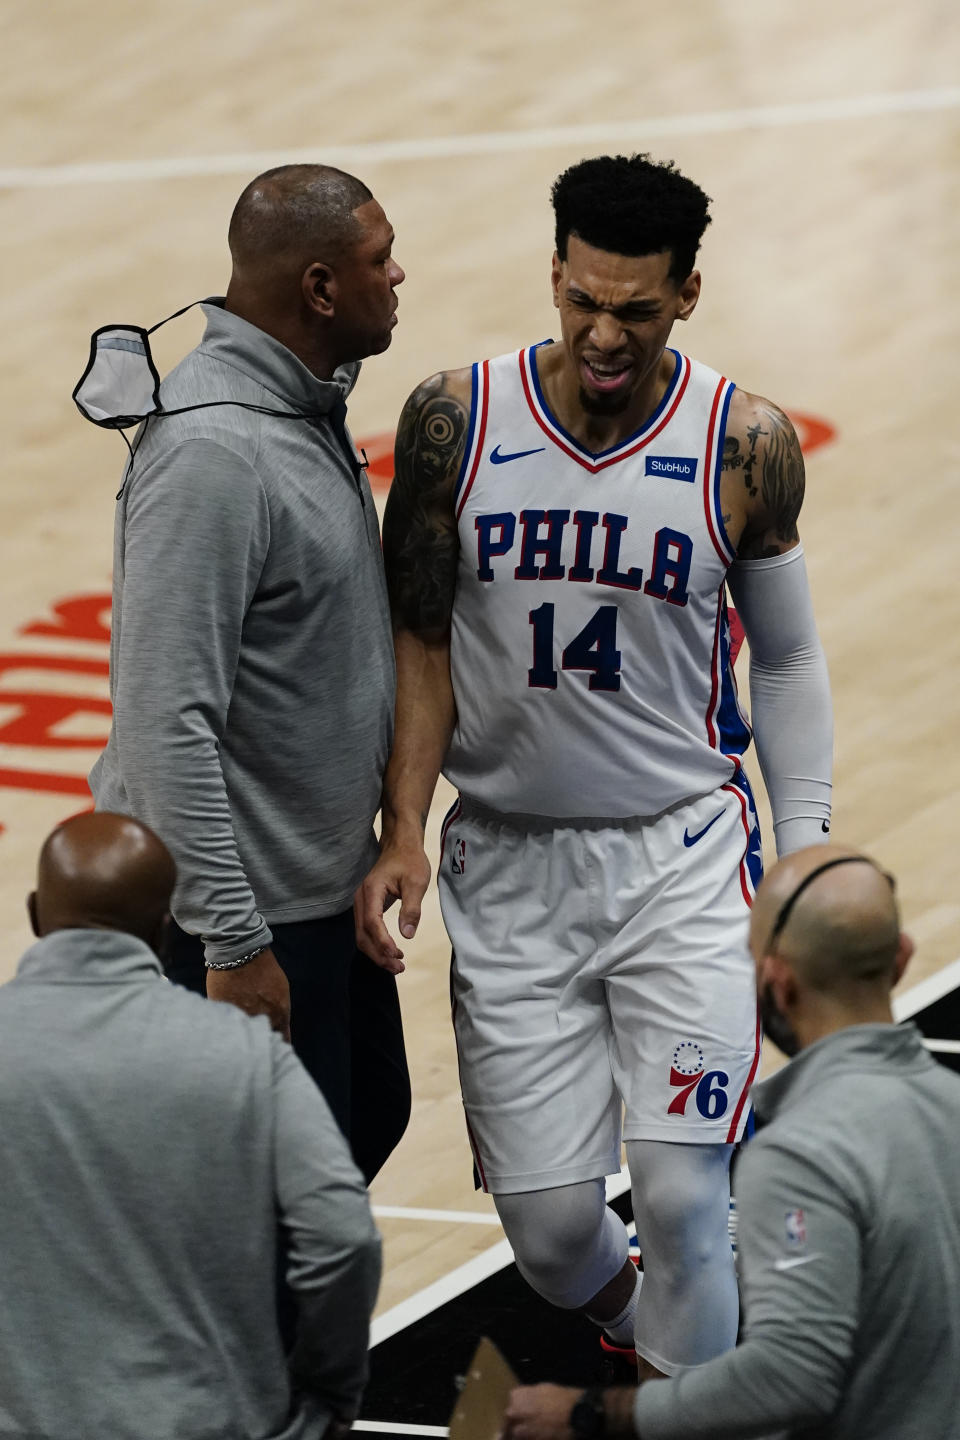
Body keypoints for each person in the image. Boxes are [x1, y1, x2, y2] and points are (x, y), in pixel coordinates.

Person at [357, 154, 833, 1375]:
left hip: (681, 854)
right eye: (582, 300)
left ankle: (690, 1401)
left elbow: (783, 663)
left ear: (688, 295)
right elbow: (419, 632)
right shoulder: (455, 422)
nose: (602, 332)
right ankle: (651, 1352)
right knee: (556, 1239)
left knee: (681, 1203)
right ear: (555, 275)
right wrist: (403, 824)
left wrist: (808, 846)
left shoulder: (745, 443)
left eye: (635, 308)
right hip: (509, 864)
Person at [89, 163, 410, 1182]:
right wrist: (231, 945)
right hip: (235, 923)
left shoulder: (302, 407)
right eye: (377, 260)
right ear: (319, 289)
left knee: (366, 1128)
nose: (400, 276)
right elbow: (159, 721)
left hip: (318, 895)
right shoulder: (213, 455)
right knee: (262, 1223)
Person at [502, 844, 960, 1439]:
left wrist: (590, 1414)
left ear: (775, 980)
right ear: (901, 960)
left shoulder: (796, 1155)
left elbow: (794, 1376)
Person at [0, 812, 381, 1440]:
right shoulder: (247, 1054)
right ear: (161, 932)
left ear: (37, 916)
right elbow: (342, 1238)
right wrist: (327, 1392)